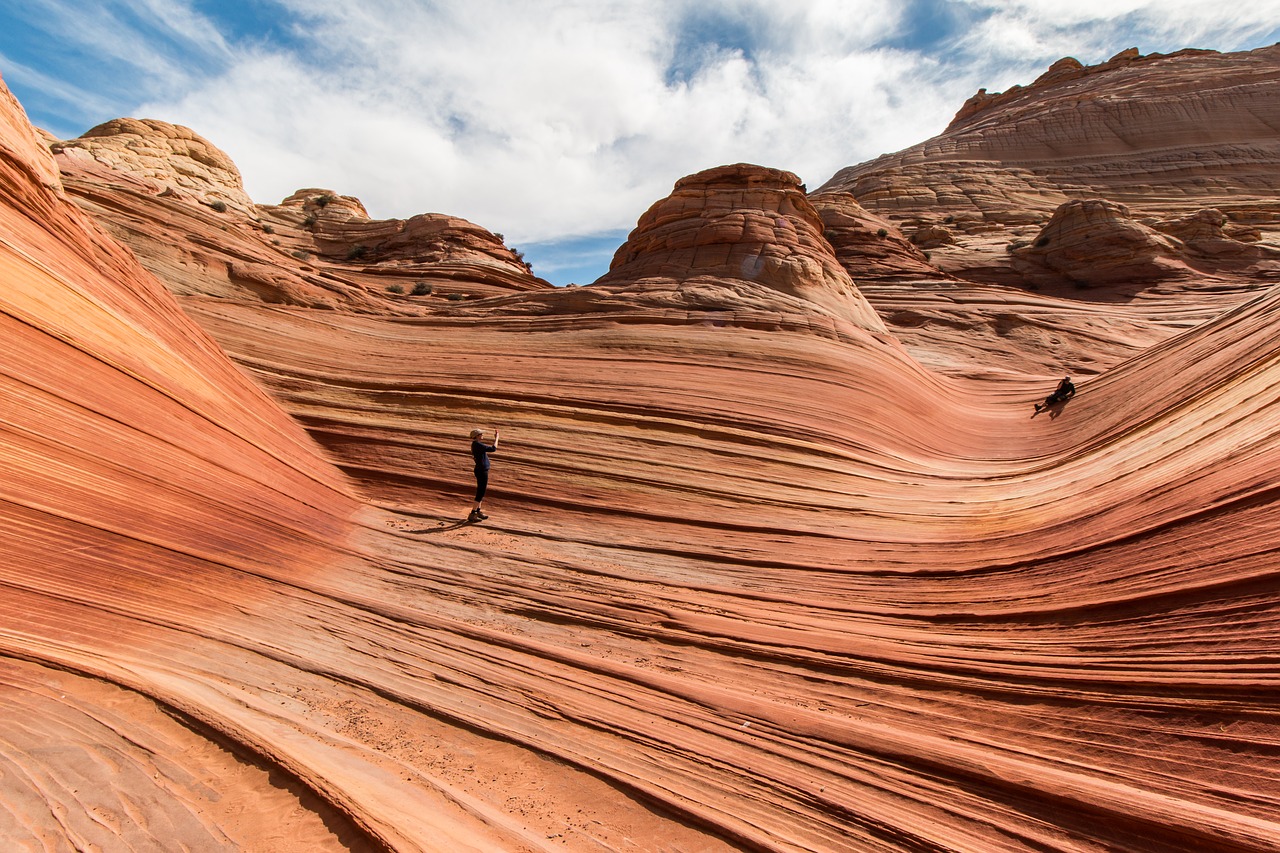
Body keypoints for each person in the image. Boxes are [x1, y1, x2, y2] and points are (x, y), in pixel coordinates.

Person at [468, 427, 499, 522]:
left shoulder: (476, 444)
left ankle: (478, 512)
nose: (482, 435)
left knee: (481, 492)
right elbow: (493, 449)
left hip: (480, 470)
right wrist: (497, 438)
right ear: (477, 436)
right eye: (481, 434)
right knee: (480, 493)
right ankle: (472, 514)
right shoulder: (477, 445)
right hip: (481, 471)